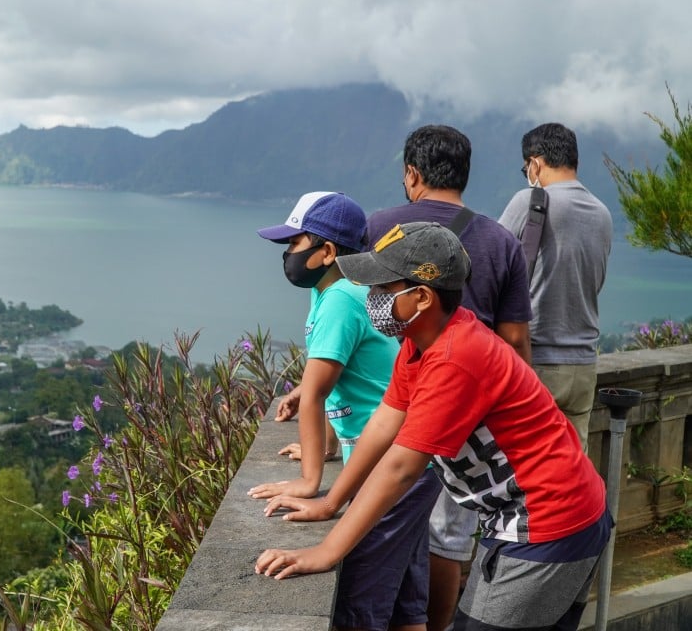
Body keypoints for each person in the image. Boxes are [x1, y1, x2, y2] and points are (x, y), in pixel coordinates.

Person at [255, 222, 610, 631]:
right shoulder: (421, 340)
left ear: (421, 296)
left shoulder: (455, 357)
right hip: (548, 517)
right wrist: (330, 503)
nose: (371, 298)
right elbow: (385, 424)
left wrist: (327, 552)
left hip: (548, 524)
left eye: (382, 288)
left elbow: (402, 467)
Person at [248, 192, 440, 631]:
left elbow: (317, 394)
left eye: (294, 244)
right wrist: (327, 440)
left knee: (361, 602)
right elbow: (343, 385)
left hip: (388, 467)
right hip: (406, 461)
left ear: (327, 252)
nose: (287, 255)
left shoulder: (338, 300)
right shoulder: (339, 292)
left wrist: (310, 482)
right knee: (408, 606)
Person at [369, 124, 533, 631]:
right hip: (471, 425)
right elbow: (515, 342)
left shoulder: (381, 228)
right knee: (447, 538)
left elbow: (354, 318)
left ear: (412, 173)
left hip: (391, 403)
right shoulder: (500, 239)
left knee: (384, 524)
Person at [498, 123, 612, 452]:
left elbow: (492, 262)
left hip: (536, 361)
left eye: (526, 168)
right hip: (584, 365)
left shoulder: (530, 201)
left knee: (527, 472)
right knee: (573, 474)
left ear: (535, 164)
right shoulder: (602, 213)